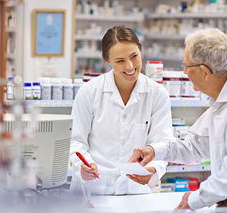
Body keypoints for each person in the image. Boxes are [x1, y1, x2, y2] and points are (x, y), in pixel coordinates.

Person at [129, 28, 227, 209]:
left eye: (186, 66)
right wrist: (154, 150)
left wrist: (195, 200)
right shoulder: (224, 101)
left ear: (204, 71)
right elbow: (193, 147)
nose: (185, 72)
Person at [69, 26, 173, 195]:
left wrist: (153, 169)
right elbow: (75, 141)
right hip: (95, 190)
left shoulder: (157, 94)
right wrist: (83, 165)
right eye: (120, 61)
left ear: (141, 51)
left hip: (135, 191)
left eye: (134, 56)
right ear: (107, 61)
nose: (130, 66)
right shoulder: (89, 92)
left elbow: (163, 143)